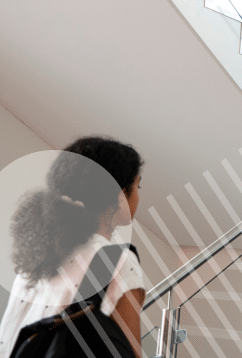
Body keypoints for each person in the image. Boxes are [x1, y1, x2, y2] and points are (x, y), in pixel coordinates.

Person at [0, 137, 145, 357]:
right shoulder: (119, 261)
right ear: (120, 194)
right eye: (137, 185)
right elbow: (129, 352)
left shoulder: (36, 258)